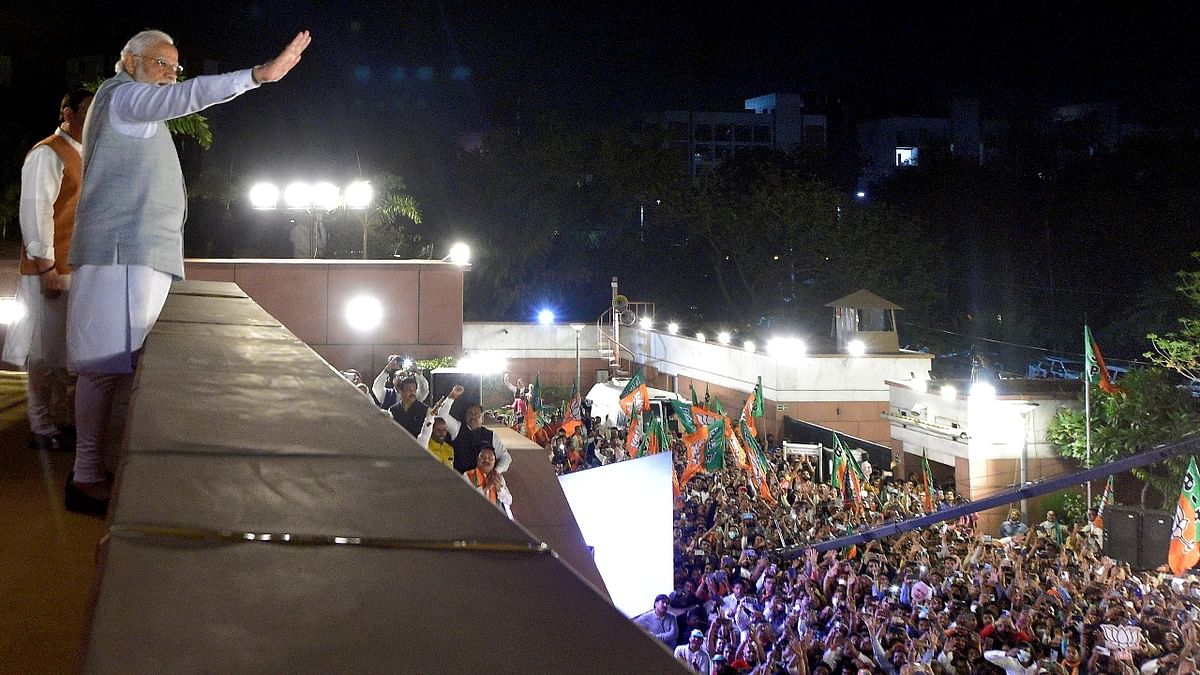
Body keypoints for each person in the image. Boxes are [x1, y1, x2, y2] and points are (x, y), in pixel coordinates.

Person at [64, 28, 312, 515]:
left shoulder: (131, 105)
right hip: (122, 254)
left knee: (114, 368)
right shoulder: (126, 99)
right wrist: (257, 76)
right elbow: (191, 96)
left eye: (174, 67)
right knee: (102, 368)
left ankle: (93, 471)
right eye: (161, 64)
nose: (170, 76)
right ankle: (86, 476)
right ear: (130, 62)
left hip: (131, 254)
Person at [3, 89, 92, 451]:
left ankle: (59, 418)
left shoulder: (87, 155)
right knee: (44, 353)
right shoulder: (47, 153)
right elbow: (36, 212)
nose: (95, 117)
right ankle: (41, 425)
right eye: (88, 110)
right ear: (68, 113)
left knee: (66, 354)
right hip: (53, 268)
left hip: (79, 267)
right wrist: (46, 267)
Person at [434, 384, 510, 475]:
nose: (473, 416)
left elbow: (506, 457)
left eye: (477, 414)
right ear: (465, 417)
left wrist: (496, 471)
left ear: (482, 419)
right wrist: (452, 396)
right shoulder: (457, 428)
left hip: (483, 482)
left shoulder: (490, 435)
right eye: (470, 413)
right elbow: (442, 416)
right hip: (461, 479)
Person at [462, 446, 512, 518]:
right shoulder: (468, 475)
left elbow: (509, 501)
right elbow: (466, 501)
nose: (486, 460)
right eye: (482, 457)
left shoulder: (498, 478)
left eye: (490, 458)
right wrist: (486, 487)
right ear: (477, 459)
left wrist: (499, 490)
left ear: (494, 462)